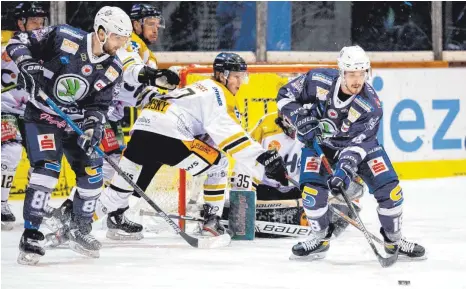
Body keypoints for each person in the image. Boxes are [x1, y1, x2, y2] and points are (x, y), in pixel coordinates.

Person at [91, 52, 288, 238]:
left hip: (143, 128)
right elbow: (228, 136)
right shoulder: (219, 93)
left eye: (242, 76)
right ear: (222, 75)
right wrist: (261, 157)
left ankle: (76, 223)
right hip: (168, 132)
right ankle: (212, 221)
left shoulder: (201, 88)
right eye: (236, 76)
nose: (240, 82)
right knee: (219, 164)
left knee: (118, 192)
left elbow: (211, 140)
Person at [42, 3, 180, 243]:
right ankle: (75, 212)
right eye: (150, 23)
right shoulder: (128, 42)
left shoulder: (145, 51)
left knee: (117, 165)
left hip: (110, 116)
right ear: (136, 25)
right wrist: (151, 77)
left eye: (158, 24)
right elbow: (128, 70)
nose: (156, 29)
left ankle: (106, 214)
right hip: (95, 113)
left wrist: (161, 97)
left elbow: (134, 92)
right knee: (112, 165)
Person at [5, 6, 132, 264]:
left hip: (74, 123)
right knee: (46, 171)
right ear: (101, 32)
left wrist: (91, 128)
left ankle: (79, 229)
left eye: (125, 39)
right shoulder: (63, 36)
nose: (121, 44)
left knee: (93, 175)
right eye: (118, 37)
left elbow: (99, 106)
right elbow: (17, 42)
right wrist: (28, 64)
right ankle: (31, 235)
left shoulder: (114, 68)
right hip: (43, 116)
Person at [276, 45, 425, 260]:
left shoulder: (371, 105)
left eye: (361, 74)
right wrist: (301, 119)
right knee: (311, 193)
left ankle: (394, 241)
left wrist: (344, 172)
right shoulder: (318, 79)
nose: (357, 80)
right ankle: (319, 238)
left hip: (361, 149)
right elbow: (285, 95)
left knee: (391, 192)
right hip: (321, 145)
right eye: (352, 74)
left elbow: (358, 145)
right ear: (341, 72)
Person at [1, 1, 48, 231]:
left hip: (32, 110)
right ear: (21, 23)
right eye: (34, 22)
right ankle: (0, 203)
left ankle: (34, 205)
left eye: (41, 22)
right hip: (5, 108)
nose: (39, 26)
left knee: (42, 160)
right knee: (10, 152)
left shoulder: (45, 47)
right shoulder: (6, 45)